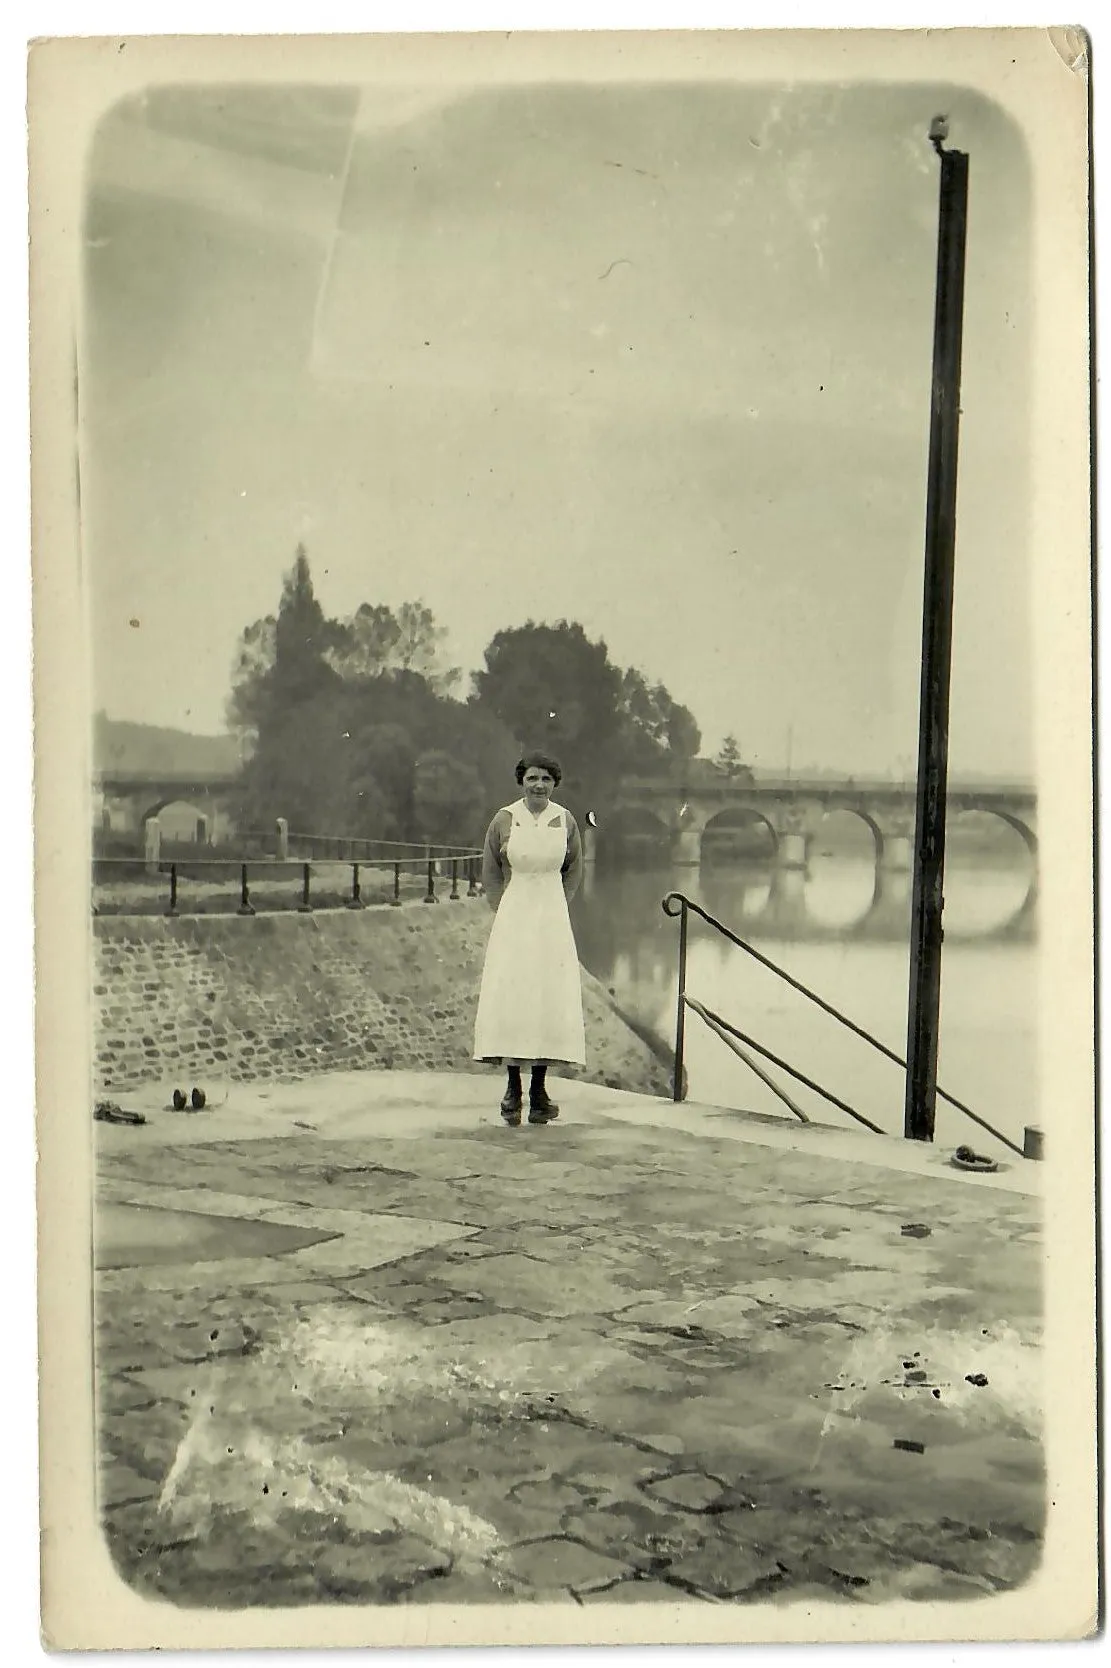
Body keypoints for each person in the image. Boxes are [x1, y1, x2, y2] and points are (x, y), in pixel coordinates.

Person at [473, 753, 586, 1126]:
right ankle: (512, 1090)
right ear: (521, 781)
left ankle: (539, 1090)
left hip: (552, 918)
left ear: (555, 784)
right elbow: (490, 869)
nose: (539, 785)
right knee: (514, 996)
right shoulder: (504, 819)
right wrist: (503, 908)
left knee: (547, 999)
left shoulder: (566, 820)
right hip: (515, 915)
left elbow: (573, 870)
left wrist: (557, 907)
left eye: (547, 780)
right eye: (532, 778)